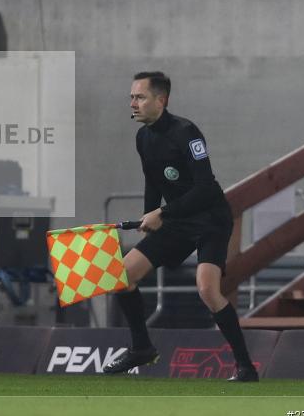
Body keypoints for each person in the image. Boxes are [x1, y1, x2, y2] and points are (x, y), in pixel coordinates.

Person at [103, 71, 258, 382]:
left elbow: (204, 187)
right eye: (132, 97)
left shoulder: (187, 132)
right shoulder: (142, 137)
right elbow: (152, 179)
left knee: (207, 289)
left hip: (210, 218)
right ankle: (141, 348)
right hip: (176, 219)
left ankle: (245, 368)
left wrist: (162, 213)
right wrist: (149, 215)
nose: (133, 103)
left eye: (140, 97)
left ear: (161, 100)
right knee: (121, 277)